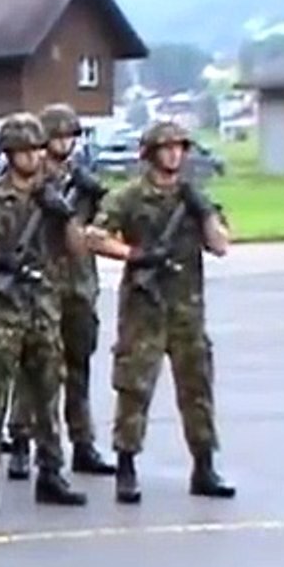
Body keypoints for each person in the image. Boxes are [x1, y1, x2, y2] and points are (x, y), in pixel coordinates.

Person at [86, 121, 236, 503]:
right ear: (151, 153)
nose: (174, 154)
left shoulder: (193, 197)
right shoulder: (130, 197)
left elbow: (220, 246)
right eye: (166, 148)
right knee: (134, 388)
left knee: (197, 388)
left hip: (187, 310)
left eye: (180, 148)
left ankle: (204, 466)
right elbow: (94, 236)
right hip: (144, 308)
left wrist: (204, 212)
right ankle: (126, 466)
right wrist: (135, 255)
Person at [0, 113, 89, 512]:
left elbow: (78, 250)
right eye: (26, 151)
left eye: (37, 149)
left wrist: (64, 214)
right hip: (1, 310)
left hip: (44, 306)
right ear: (10, 154)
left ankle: (50, 472)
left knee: (48, 392)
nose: (34, 157)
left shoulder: (54, 197)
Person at [4, 104, 116, 478]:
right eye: (59, 137)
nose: (66, 144)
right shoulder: (31, 183)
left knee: (79, 364)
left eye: (71, 136)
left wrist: (99, 204)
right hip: (41, 283)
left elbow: (102, 227)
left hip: (80, 282)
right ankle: (21, 438)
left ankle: (82, 441)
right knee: (33, 368)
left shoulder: (82, 182)